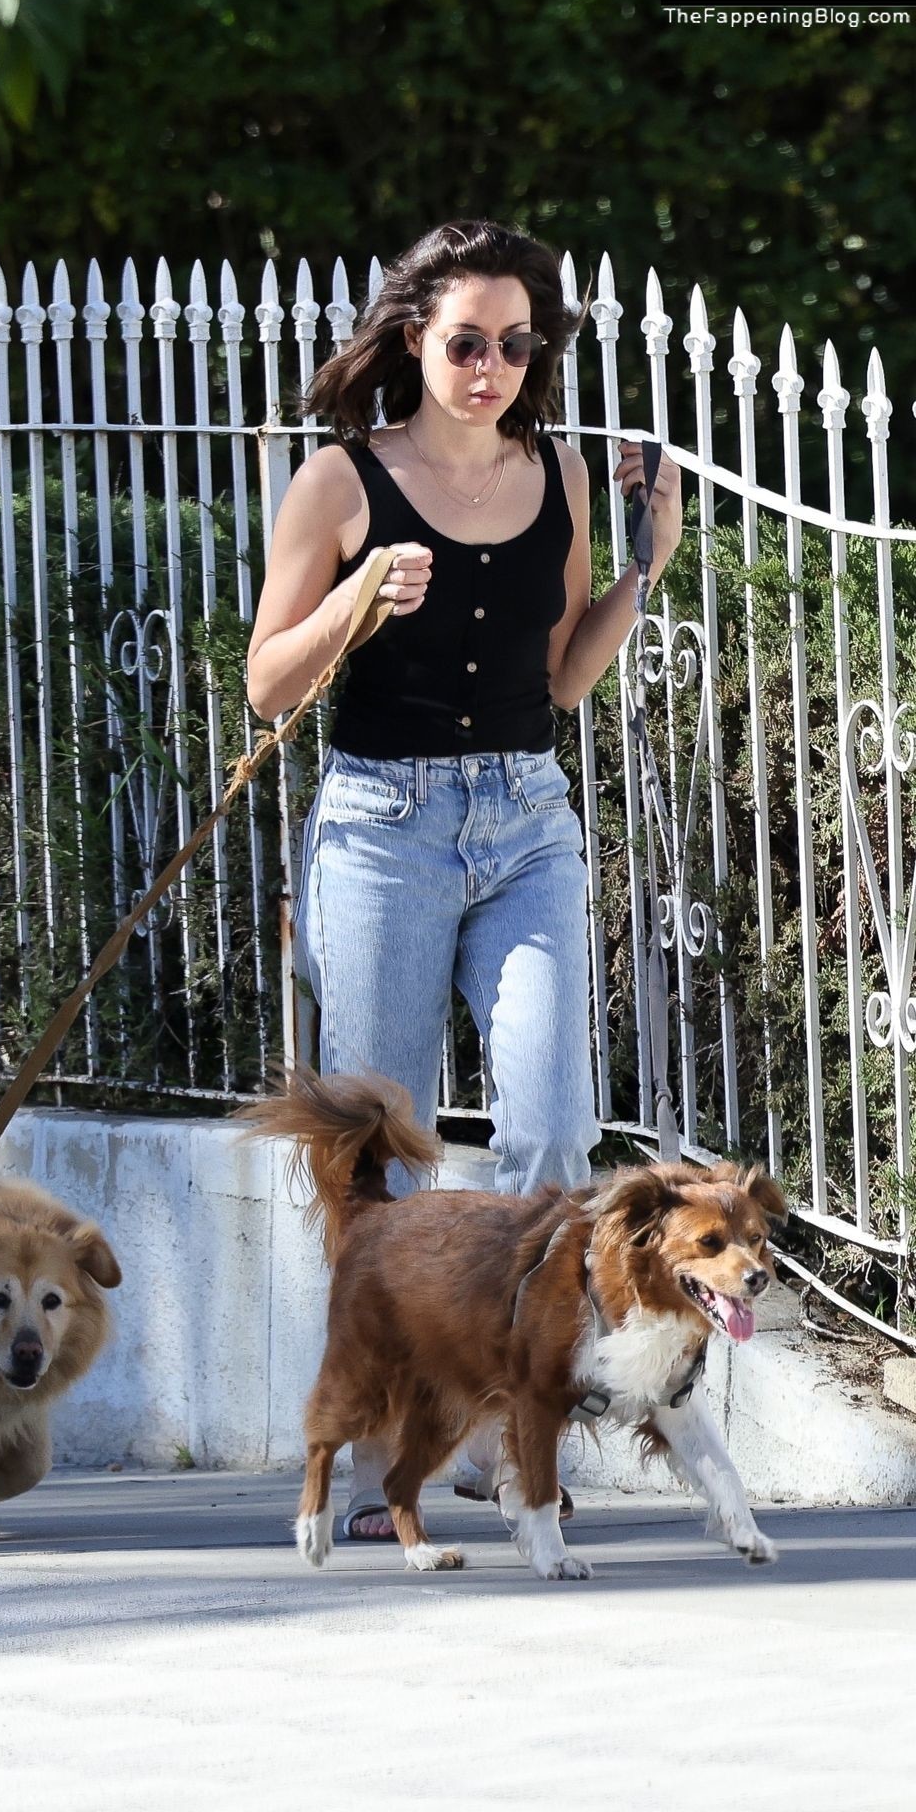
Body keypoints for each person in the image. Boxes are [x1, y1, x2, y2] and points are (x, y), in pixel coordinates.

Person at [245, 218, 682, 1540]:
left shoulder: (557, 473)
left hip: (527, 819)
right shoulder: (340, 482)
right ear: (414, 342)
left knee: (550, 1131)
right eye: (465, 344)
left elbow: (561, 679)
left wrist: (645, 566)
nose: (490, 368)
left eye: (514, 345)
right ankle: (387, 1448)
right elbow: (267, 685)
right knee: (380, 1161)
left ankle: (503, 1429)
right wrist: (356, 600)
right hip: (383, 828)